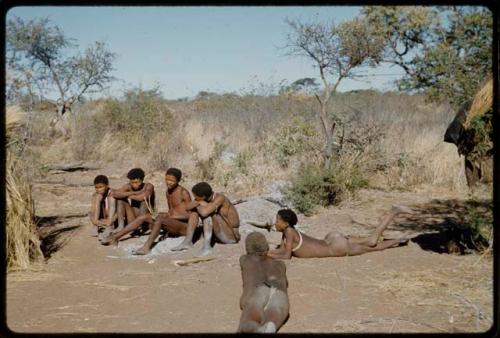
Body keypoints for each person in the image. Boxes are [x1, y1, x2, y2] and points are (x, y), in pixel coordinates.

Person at [267, 208, 409, 260]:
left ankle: (393, 216)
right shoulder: (287, 232)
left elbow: (286, 255)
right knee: (370, 241)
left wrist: (266, 254)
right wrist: (267, 251)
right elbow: (281, 249)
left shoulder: (290, 232)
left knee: (374, 244)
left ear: (286, 223)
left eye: (277, 220)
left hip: (335, 248)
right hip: (331, 239)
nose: (275, 223)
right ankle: (400, 238)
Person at [238, 232, 290, 333]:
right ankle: (270, 326)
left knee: (251, 312)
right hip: (278, 290)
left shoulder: (244, 259)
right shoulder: (280, 264)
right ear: (266, 247)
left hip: (257, 290)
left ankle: (252, 327)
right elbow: (286, 282)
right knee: (276, 310)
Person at [133, 168, 192, 255]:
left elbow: (190, 215)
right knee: (145, 216)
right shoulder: (168, 192)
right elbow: (171, 211)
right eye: (167, 179)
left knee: (160, 219)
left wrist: (169, 216)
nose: (169, 182)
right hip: (173, 224)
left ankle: (146, 247)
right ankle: (115, 237)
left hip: (184, 227)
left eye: (172, 180)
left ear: (178, 180)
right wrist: (165, 215)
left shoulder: (184, 193)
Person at [171, 182, 240, 256]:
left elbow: (204, 213)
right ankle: (187, 242)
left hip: (231, 236)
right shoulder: (203, 199)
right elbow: (188, 207)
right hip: (220, 234)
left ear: (203, 197)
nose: (195, 199)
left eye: (196, 197)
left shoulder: (220, 198)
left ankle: (207, 247)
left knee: (207, 214)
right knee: (194, 212)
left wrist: (198, 204)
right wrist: (199, 203)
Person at [101, 168, 155, 246]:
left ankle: (140, 227)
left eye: (136, 182)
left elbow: (142, 197)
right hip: (133, 218)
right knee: (120, 200)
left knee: (143, 202)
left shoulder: (149, 186)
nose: (134, 184)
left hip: (146, 219)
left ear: (142, 180)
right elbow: (115, 193)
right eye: (132, 182)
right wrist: (133, 193)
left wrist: (127, 195)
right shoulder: (129, 186)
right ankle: (121, 226)